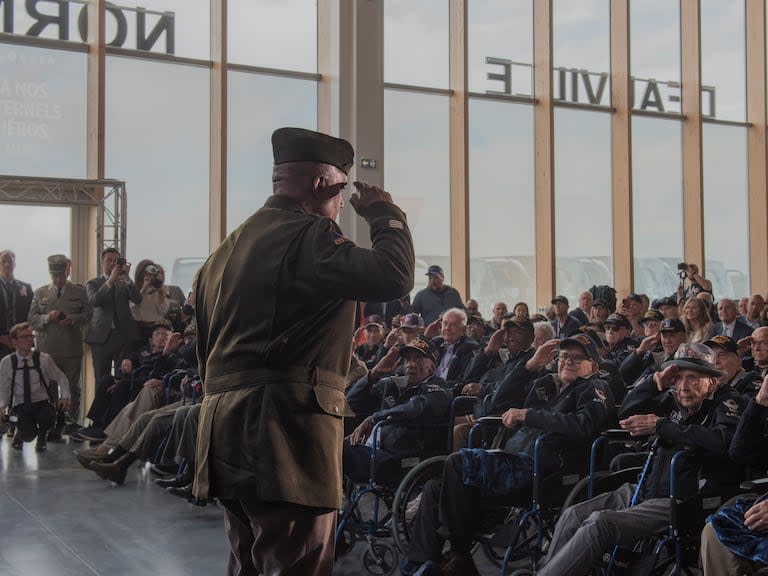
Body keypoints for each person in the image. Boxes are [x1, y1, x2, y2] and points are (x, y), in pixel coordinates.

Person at [191, 127, 414, 576]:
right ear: (320, 184)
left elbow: (207, 349)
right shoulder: (307, 236)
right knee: (297, 564)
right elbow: (393, 275)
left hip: (225, 431)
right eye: (339, 192)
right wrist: (385, 215)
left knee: (248, 563)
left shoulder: (224, 251)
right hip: (284, 439)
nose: (338, 206)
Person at [401, 334, 615, 575]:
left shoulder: (595, 387)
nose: (567, 361)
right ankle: (421, 563)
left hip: (546, 470)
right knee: (433, 489)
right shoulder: (547, 386)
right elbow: (497, 403)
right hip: (514, 461)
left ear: (593, 366)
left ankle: (460, 554)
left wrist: (527, 415)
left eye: (576, 358)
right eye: (563, 356)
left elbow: (582, 425)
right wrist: (529, 365)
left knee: (459, 462)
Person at [538, 343, 743, 576]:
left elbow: (723, 441)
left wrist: (662, 425)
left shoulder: (726, 403)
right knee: (573, 514)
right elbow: (626, 412)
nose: (683, 387)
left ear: (712, 382)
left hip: (681, 499)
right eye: (678, 378)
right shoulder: (672, 399)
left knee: (599, 524)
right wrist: (655, 383)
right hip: (644, 488)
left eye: (693, 379)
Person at [27, 255, 92, 434]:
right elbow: (31, 319)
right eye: (55, 275)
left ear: (68, 271)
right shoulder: (41, 292)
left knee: (72, 387)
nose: (58, 279)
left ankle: (71, 421)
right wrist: (48, 317)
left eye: (61, 275)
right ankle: (51, 422)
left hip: (71, 348)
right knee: (49, 388)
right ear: (50, 273)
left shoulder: (79, 291)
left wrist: (71, 319)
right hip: (47, 350)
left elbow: (88, 315)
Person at [0, 322, 70, 451]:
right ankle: (20, 434)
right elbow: (3, 388)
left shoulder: (43, 359)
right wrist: (2, 406)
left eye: (30, 336)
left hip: (41, 403)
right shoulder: (7, 362)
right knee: (28, 435)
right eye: (24, 337)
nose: (29, 340)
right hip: (21, 405)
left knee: (47, 416)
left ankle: (42, 438)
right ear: (14, 341)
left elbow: (61, 377)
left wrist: (65, 396)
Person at [84, 248, 142, 381]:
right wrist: (110, 281)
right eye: (108, 260)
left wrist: (127, 277)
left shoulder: (124, 282)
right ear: (102, 263)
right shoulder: (93, 283)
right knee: (101, 377)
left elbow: (137, 299)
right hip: (100, 337)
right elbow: (95, 300)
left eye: (115, 261)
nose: (112, 263)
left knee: (122, 377)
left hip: (121, 336)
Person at [0, 250, 33, 359]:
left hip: (21, 342)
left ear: (14, 264)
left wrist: (22, 336)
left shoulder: (26, 288)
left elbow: (31, 313)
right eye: (3, 262)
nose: (7, 264)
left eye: (10, 261)